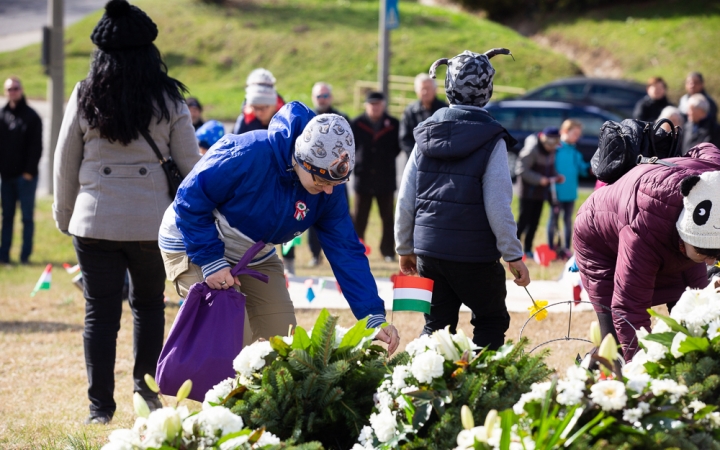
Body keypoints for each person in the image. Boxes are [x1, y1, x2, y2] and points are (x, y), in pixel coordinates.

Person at [52, 0, 201, 425]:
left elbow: (65, 161)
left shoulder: (84, 94)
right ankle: (147, 394)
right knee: (149, 306)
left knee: (99, 313)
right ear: (150, 52)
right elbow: (191, 167)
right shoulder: (169, 99)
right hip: (152, 222)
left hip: (94, 219)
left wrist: (65, 216)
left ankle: (99, 408)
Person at [158, 102, 400, 355]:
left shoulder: (329, 189)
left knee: (282, 344)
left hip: (254, 252)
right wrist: (210, 260)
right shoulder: (246, 153)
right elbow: (189, 200)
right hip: (194, 241)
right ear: (302, 161)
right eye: (321, 180)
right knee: (233, 342)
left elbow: (346, 250)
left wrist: (372, 316)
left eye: (336, 183)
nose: (328, 190)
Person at [395, 48, 530, 350]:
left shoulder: (424, 135)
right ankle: (483, 390)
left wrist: (404, 247)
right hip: (475, 256)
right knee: (491, 321)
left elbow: (406, 198)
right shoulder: (492, 139)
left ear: (447, 88)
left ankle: (426, 390)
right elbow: (498, 204)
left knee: (435, 327)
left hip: (429, 251)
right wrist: (513, 254)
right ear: (488, 90)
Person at [574, 142, 720, 361]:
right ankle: (594, 373)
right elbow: (629, 309)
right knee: (614, 347)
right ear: (683, 240)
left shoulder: (713, 179)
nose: (711, 263)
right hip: (600, 239)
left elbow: (706, 147)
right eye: (705, 255)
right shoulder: (643, 229)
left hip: (671, 229)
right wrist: (642, 370)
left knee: (699, 310)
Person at [350, 91, 400, 262]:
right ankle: (356, 249)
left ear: (383, 105)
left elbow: (397, 148)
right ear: (366, 105)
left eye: (378, 104)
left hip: (385, 178)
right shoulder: (357, 123)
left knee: (387, 218)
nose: (375, 107)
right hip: (363, 178)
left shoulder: (393, 124)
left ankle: (387, 251)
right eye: (372, 104)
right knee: (359, 218)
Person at [0, 77, 42, 265]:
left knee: (26, 218)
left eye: (16, 88)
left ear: (22, 90)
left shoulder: (32, 116)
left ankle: (25, 257)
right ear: (5, 91)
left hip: (26, 177)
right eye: (9, 89)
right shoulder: (2, 115)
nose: (13, 92)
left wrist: (28, 172)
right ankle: (4, 256)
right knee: (7, 217)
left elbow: (36, 147)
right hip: (6, 177)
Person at [307, 82, 349, 267]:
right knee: (312, 216)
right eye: (319, 96)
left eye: (325, 96)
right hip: (313, 177)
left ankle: (342, 256)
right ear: (313, 98)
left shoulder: (342, 118)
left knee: (340, 217)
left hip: (337, 177)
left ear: (330, 97)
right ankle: (315, 255)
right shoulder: (308, 119)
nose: (322, 100)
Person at [515, 127, 565, 257]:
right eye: (551, 146)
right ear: (545, 142)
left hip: (541, 193)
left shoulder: (552, 151)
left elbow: (549, 169)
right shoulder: (532, 150)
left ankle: (528, 249)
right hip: (527, 193)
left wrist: (556, 176)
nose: (552, 149)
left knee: (535, 223)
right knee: (523, 222)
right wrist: (539, 179)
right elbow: (521, 170)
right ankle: (514, 250)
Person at [548, 119, 589, 258]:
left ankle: (566, 249)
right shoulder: (555, 150)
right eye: (575, 133)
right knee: (553, 220)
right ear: (564, 132)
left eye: (579, 134)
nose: (577, 137)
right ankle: (550, 248)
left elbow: (582, 169)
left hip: (570, 193)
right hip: (556, 193)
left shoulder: (575, 152)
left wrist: (591, 169)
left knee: (567, 221)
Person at [399, 73, 447, 157]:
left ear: (435, 89)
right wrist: (416, 157)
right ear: (416, 91)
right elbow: (404, 138)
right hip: (415, 160)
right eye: (422, 89)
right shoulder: (410, 111)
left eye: (428, 88)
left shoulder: (445, 110)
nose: (425, 92)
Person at [232, 68, 285, 135]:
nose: (259, 112)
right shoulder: (245, 121)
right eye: (255, 107)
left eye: (263, 107)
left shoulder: (285, 120)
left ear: (275, 105)